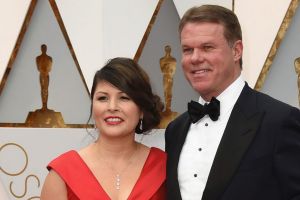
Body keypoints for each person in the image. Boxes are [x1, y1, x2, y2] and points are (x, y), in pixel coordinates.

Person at [165, 4, 300, 200]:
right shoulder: (175, 130)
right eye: (187, 49)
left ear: (236, 51)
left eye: (207, 47)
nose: (195, 58)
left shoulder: (279, 121)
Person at [41, 57, 166, 200]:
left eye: (124, 98)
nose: (112, 107)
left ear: (142, 109)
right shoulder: (62, 173)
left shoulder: (163, 168)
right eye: (103, 98)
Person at [36, 44, 52, 111]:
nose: (44, 49)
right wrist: (43, 71)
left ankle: (45, 106)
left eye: (45, 48)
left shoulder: (49, 58)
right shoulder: (38, 58)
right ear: (41, 49)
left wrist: (46, 71)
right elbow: (38, 68)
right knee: (43, 89)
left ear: (46, 49)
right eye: (43, 48)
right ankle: (43, 106)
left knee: (46, 89)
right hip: (42, 75)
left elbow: (50, 68)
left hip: (47, 75)